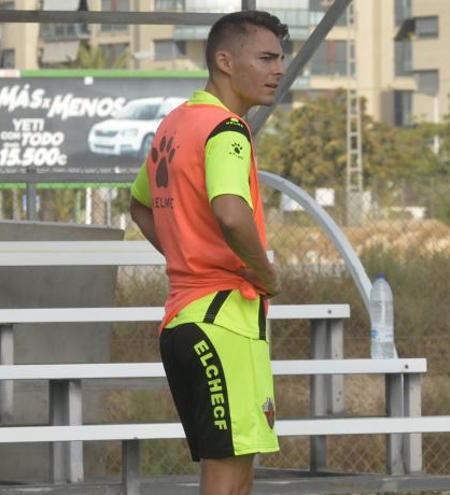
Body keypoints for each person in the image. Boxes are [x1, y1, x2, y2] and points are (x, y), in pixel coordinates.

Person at [129, 10, 287, 495]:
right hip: (220, 321)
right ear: (224, 61)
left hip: (189, 320)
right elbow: (232, 213)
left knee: (238, 466)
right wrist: (267, 275)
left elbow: (139, 207)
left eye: (281, 58)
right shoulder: (226, 129)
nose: (278, 69)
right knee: (227, 470)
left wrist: (188, 253)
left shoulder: (174, 125)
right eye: (265, 58)